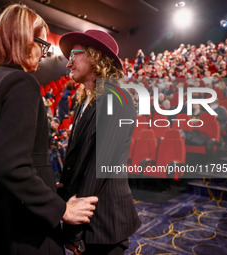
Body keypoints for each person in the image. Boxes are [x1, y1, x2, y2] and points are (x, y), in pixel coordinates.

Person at [0, 4, 98, 255]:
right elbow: (9, 166)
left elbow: (2, 155)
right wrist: (61, 209)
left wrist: (46, 183)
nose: (44, 54)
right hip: (20, 228)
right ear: (23, 40)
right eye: (42, 44)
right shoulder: (21, 82)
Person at [58, 30, 141, 255]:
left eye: (74, 54)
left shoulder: (117, 98)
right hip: (87, 221)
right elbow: (77, 161)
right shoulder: (85, 101)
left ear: (95, 57)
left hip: (104, 224)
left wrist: (75, 232)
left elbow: (97, 168)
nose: (69, 64)